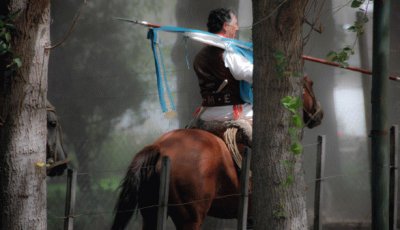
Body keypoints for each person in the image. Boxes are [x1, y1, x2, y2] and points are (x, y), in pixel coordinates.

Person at [190, 8, 253, 150]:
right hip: (231, 112)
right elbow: (250, 74)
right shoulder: (229, 52)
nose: (236, 28)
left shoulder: (199, 56)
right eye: (235, 24)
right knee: (269, 128)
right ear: (226, 26)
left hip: (207, 115)